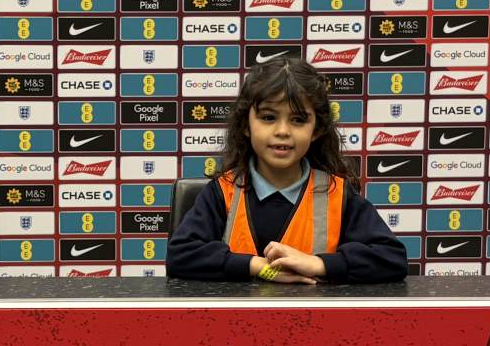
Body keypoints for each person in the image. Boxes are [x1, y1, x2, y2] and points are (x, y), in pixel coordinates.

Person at [168, 56, 407, 284]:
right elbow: (180, 256)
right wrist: (257, 266)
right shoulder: (222, 192)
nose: (282, 131)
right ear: (245, 126)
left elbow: (392, 258)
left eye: (298, 120)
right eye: (268, 117)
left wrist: (319, 264)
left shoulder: (338, 194)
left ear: (317, 129)